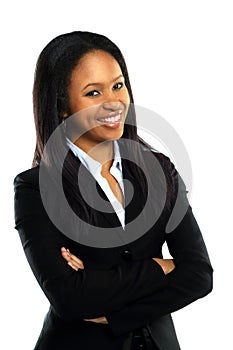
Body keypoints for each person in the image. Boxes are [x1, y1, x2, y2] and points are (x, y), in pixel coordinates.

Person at [14, 31, 213, 350]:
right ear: (63, 107)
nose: (114, 102)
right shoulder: (35, 188)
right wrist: (159, 266)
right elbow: (70, 299)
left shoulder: (159, 170)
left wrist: (115, 312)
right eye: (93, 92)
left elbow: (199, 275)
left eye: (118, 85)